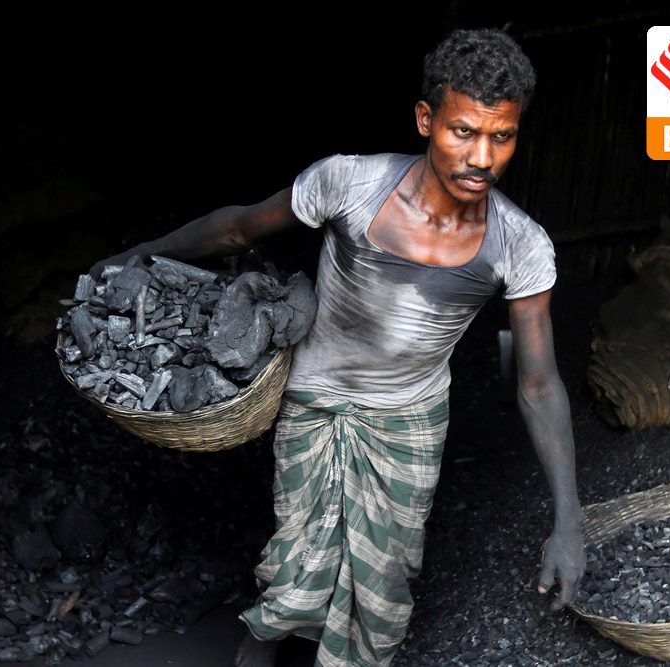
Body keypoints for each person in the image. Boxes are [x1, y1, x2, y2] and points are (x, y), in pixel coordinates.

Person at [91, 28, 584, 667]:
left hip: (409, 421)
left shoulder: (520, 245)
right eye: (463, 131)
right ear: (425, 119)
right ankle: (257, 647)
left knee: (384, 583)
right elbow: (239, 226)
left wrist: (569, 520)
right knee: (296, 564)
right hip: (315, 401)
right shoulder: (349, 185)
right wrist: (134, 257)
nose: (482, 158)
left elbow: (540, 383)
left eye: (502, 136)